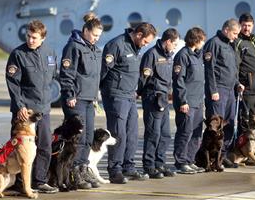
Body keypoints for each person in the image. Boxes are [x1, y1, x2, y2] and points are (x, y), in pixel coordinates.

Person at [5, 19, 58, 193]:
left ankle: (39, 181)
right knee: (19, 148)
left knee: (44, 145)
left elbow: (51, 79)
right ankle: (18, 181)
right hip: (25, 111)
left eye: (34, 37)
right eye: (28, 36)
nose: (30, 40)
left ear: (43, 37)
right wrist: (20, 106)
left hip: (43, 109)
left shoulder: (50, 53)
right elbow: (13, 83)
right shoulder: (18, 54)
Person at [100, 22, 156, 184]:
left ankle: (128, 166)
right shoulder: (117, 45)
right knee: (118, 133)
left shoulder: (135, 47)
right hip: (116, 95)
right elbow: (104, 71)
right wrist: (106, 92)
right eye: (146, 41)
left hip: (130, 96)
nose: (146, 45)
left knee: (132, 133)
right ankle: (115, 170)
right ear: (139, 35)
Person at [59, 12, 103, 189]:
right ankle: (73, 172)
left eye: (99, 36)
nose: (96, 39)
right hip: (76, 99)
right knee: (77, 137)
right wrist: (69, 94)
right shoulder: (73, 47)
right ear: (85, 30)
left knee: (88, 137)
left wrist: (95, 97)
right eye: (94, 35)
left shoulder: (94, 49)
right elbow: (67, 73)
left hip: (89, 99)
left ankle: (83, 168)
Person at [137, 28, 179, 179]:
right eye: (174, 44)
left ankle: (159, 163)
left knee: (165, 134)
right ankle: (149, 165)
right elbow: (144, 77)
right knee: (153, 133)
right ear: (167, 42)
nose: (174, 47)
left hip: (164, 98)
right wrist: (141, 93)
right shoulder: (152, 55)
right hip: (153, 97)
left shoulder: (169, 56)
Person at [203, 19, 244, 168]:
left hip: (230, 90)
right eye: (234, 33)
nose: (236, 37)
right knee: (215, 126)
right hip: (218, 90)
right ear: (226, 30)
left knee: (229, 122)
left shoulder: (230, 45)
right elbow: (209, 69)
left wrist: (237, 83)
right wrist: (213, 90)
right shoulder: (213, 43)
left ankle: (222, 155)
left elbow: (232, 69)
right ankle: (210, 159)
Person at [172, 27, 206, 174]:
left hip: (198, 101)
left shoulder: (198, 56)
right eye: (202, 40)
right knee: (185, 132)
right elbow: (179, 81)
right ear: (196, 40)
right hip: (187, 102)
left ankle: (189, 160)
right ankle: (180, 162)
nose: (203, 43)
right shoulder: (182, 56)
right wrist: (183, 101)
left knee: (197, 133)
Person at [235, 13, 255, 131]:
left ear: (253, 25)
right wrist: (239, 83)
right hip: (248, 89)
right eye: (244, 25)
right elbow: (235, 66)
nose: (246, 28)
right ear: (240, 26)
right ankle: (245, 148)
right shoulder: (238, 42)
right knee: (247, 120)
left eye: (249, 25)